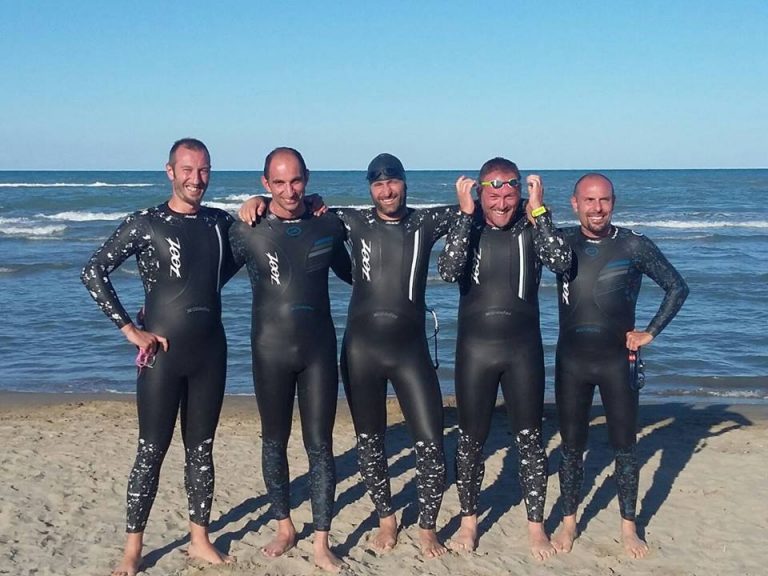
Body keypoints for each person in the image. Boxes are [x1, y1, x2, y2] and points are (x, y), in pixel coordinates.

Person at [239, 153, 475, 557]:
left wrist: (498, 204)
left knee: (432, 443)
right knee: (369, 442)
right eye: (378, 184)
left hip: (411, 351)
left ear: (405, 182)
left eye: (393, 181)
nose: (387, 190)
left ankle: (427, 527)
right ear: (370, 188)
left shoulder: (425, 222)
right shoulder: (350, 221)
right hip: (361, 351)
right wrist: (258, 202)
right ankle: (386, 519)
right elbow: (296, 209)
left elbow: (487, 209)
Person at [81, 138, 237, 576]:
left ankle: (199, 539)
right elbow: (93, 270)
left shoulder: (220, 223)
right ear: (170, 171)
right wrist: (130, 329)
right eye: (187, 169)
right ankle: (133, 550)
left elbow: (241, 254)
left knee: (201, 451)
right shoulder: (146, 223)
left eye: (203, 170)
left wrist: (261, 204)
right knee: (151, 451)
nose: (196, 179)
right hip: (161, 358)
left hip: (211, 354)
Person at [438, 158, 571, 559]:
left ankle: (536, 527)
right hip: (474, 352)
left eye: (509, 195)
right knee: (470, 441)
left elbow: (562, 262)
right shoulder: (469, 225)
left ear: (520, 193)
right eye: (492, 196)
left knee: (530, 441)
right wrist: (465, 215)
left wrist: (540, 211)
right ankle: (469, 523)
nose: (501, 203)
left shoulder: (532, 225)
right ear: (480, 194)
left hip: (523, 351)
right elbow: (448, 270)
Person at [551, 173, 689, 558]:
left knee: (625, 447)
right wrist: (534, 207)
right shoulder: (561, 243)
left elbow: (677, 287)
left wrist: (650, 332)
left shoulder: (633, 244)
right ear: (575, 203)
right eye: (589, 200)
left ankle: (629, 527)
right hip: (571, 362)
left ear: (613, 202)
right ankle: (569, 523)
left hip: (617, 361)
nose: (597, 208)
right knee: (571, 448)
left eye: (604, 200)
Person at [228, 147, 352, 572]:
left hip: (318, 350)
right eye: (278, 182)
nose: (289, 190)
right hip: (270, 350)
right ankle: (284, 527)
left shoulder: (328, 224)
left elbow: (358, 275)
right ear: (265, 183)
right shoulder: (248, 229)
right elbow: (207, 275)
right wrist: (154, 310)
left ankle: (321, 541)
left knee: (320, 445)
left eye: (296, 180)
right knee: (273, 441)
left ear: (307, 178)